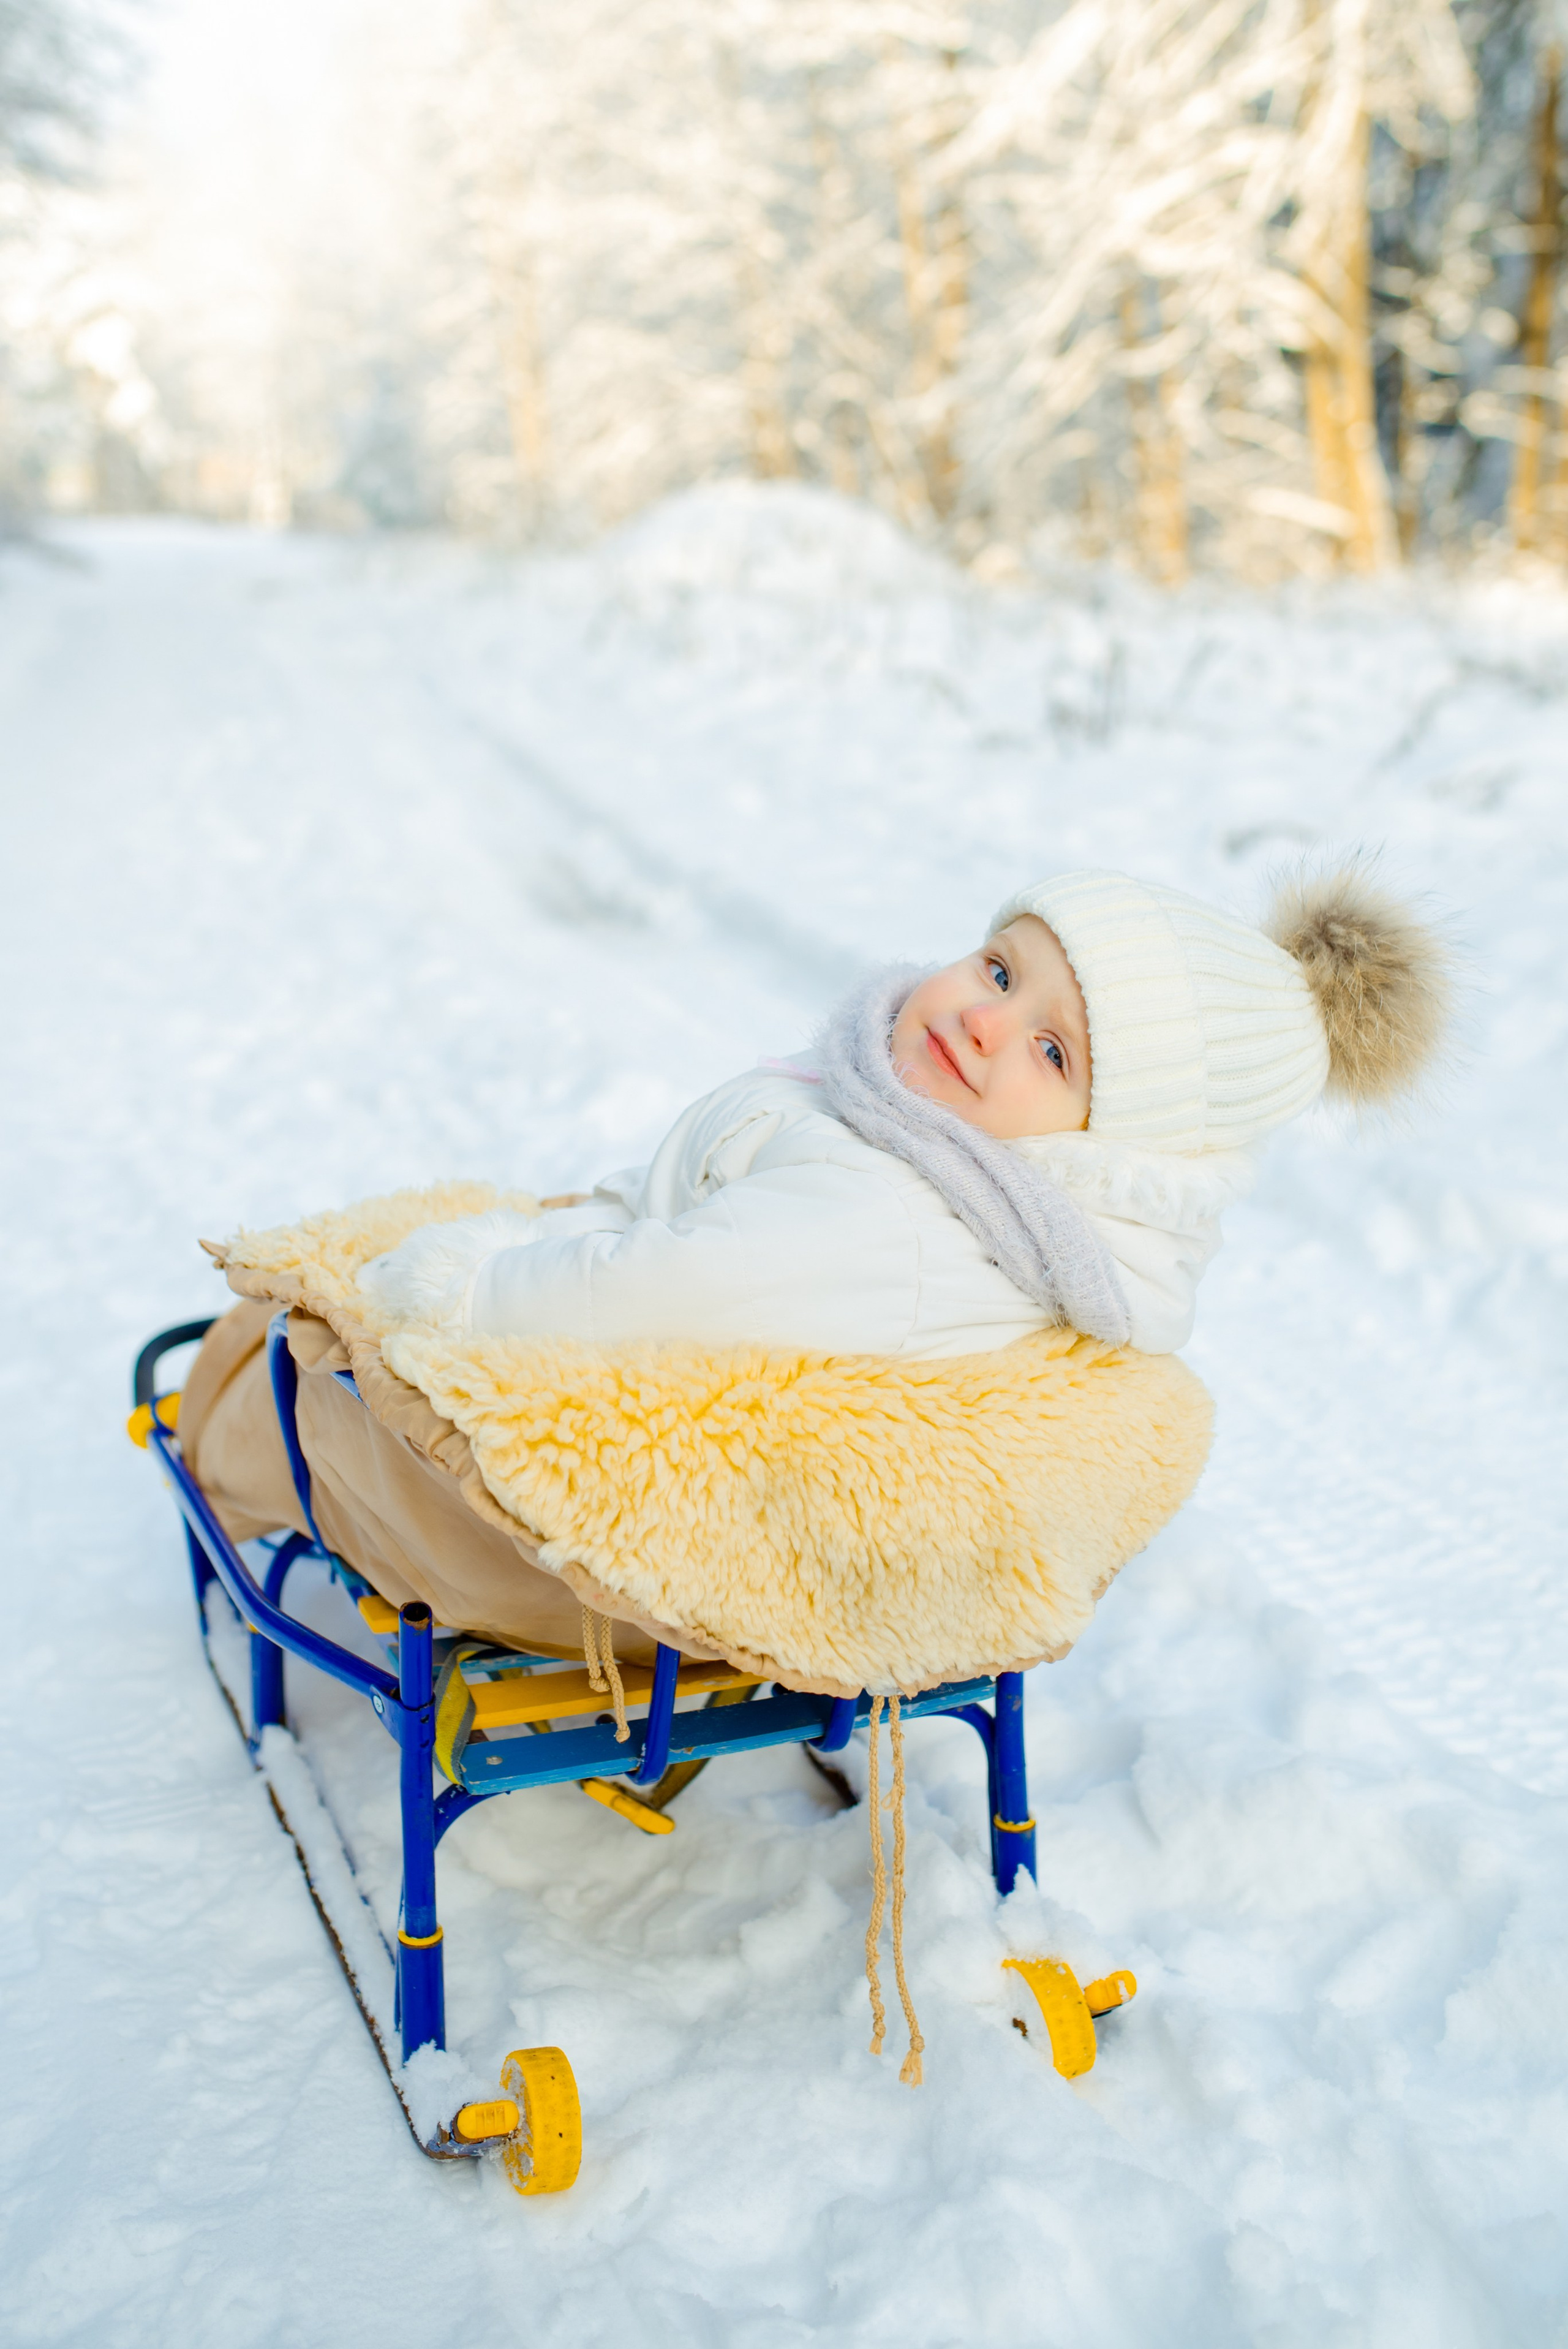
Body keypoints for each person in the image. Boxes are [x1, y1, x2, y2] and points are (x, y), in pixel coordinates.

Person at [360, 860, 1453, 1360]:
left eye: (1054, 1051)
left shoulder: (898, 1220)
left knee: (318, 1366)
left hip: (585, 1497)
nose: (984, 1020)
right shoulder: (915, 1133)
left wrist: (473, 1287)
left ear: (1106, 1150)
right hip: (600, 1288)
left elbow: (684, 1284)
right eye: (1000, 969)